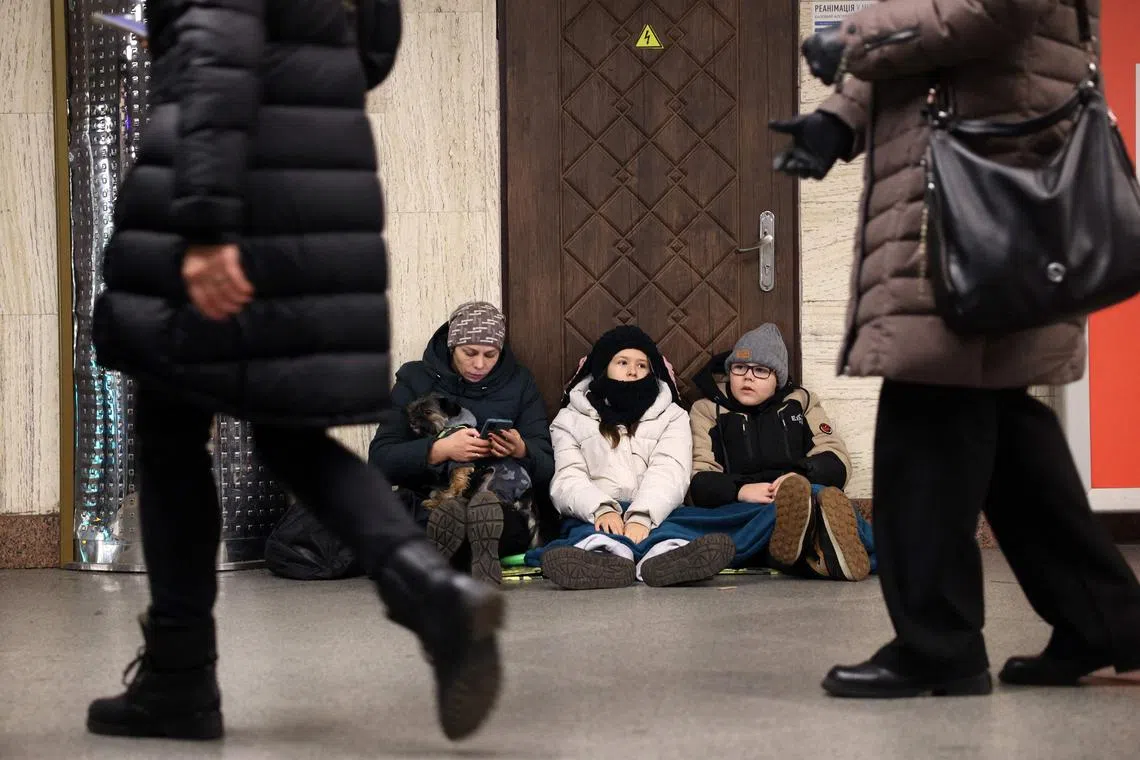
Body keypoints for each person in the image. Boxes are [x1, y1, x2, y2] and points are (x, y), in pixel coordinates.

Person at [88, 0, 503, 742]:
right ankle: (431, 592)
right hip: (320, 189)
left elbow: (215, 49)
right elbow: (374, 50)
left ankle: (179, 681)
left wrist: (208, 223)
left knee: (171, 431)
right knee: (290, 438)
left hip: (243, 197)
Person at [773, 0, 1140, 698]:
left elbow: (984, 14)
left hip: (979, 216)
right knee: (1008, 440)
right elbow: (935, 46)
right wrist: (838, 120)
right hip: (976, 211)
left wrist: (852, 35)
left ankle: (938, 643)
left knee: (929, 422)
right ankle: (1108, 627)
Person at [368, 301, 555, 585]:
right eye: (469, 353)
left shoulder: (520, 382)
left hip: (498, 501)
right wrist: (439, 450)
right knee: (436, 517)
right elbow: (380, 459)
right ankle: (467, 554)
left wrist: (521, 449)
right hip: (430, 499)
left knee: (490, 518)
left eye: (490, 355)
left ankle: (448, 554)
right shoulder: (414, 379)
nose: (479, 364)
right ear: (452, 346)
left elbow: (547, 465)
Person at [537, 326, 736, 589]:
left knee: (668, 534)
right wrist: (601, 509)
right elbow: (567, 474)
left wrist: (643, 515)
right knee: (591, 536)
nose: (633, 371)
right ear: (603, 367)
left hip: (656, 510)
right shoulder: (569, 420)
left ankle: (665, 561)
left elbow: (670, 469)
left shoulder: (672, 416)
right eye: (622, 363)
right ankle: (605, 561)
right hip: (594, 512)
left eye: (642, 365)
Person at [688, 324, 874, 581]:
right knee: (689, 519)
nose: (748, 377)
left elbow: (836, 459)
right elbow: (699, 477)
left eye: (761, 370)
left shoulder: (802, 402)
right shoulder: (707, 410)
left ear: (778, 378)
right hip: (743, 506)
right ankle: (822, 555)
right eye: (739, 368)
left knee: (822, 495)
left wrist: (798, 478)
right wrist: (741, 491)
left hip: (800, 494)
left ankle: (833, 550)